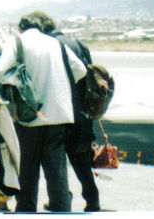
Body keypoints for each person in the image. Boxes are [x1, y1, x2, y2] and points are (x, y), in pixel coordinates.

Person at [0, 11, 87, 213]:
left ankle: (26, 210)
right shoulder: (55, 43)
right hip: (59, 115)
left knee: (27, 172)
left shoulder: (16, 41)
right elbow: (80, 70)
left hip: (30, 116)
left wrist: (23, 84)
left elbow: (1, 72)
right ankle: (61, 210)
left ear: (21, 27)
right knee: (57, 173)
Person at [48, 28, 100, 212]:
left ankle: (63, 197)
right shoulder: (79, 44)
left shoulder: (52, 46)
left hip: (62, 111)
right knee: (81, 159)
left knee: (56, 159)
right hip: (83, 112)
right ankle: (92, 199)